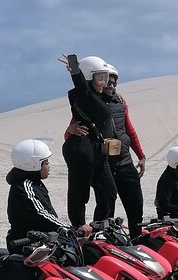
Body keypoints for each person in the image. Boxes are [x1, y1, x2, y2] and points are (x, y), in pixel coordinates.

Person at [66, 63, 147, 238]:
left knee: (132, 206)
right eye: (105, 81)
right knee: (104, 200)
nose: (109, 86)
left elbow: (130, 131)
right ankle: (99, 237)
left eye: (113, 83)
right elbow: (76, 125)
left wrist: (141, 155)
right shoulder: (92, 101)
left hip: (124, 161)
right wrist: (70, 131)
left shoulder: (120, 104)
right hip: (103, 160)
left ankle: (137, 241)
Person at [60, 54, 117, 228]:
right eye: (101, 78)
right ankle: (79, 227)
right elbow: (82, 88)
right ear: (88, 77)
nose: (105, 82)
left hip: (96, 150)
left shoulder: (98, 97)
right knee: (79, 191)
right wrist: (76, 72)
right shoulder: (82, 94)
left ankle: (99, 227)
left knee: (109, 193)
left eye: (105, 77)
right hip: (81, 150)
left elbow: (110, 100)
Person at [6, 139, 91, 254]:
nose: (49, 166)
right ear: (34, 165)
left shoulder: (33, 183)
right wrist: (70, 229)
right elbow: (42, 214)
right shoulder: (25, 186)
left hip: (43, 240)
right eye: (46, 163)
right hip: (26, 243)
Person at [155, 146, 178, 219]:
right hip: (172, 218)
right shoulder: (167, 181)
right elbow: (164, 205)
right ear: (175, 165)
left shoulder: (176, 175)